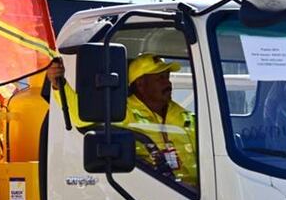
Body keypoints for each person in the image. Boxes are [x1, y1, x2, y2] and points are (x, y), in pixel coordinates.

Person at [48, 53, 198, 190]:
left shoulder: (187, 117)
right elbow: (82, 117)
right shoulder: (123, 112)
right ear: (140, 83)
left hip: (202, 194)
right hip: (160, 194)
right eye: (160, 78)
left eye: (167, 76)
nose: (168, 83)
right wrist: (58, 84)